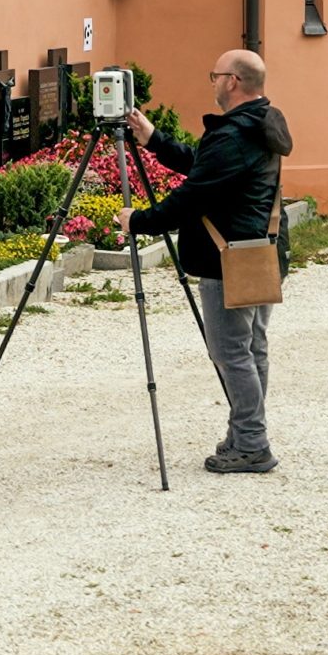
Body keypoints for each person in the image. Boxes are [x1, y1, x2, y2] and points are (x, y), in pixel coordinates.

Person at [120, 50, 294, 475]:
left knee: (232, 352)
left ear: (232, 81)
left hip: (227, 257)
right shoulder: (259, 123)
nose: (212, 82)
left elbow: (192, 196)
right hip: (259, 251)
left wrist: (138, 220)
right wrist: (154, 139)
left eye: (215, 75)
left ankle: (252, 443)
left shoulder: (234, 134)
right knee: (252, 348)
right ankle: (245, 432)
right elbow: (207, 168)